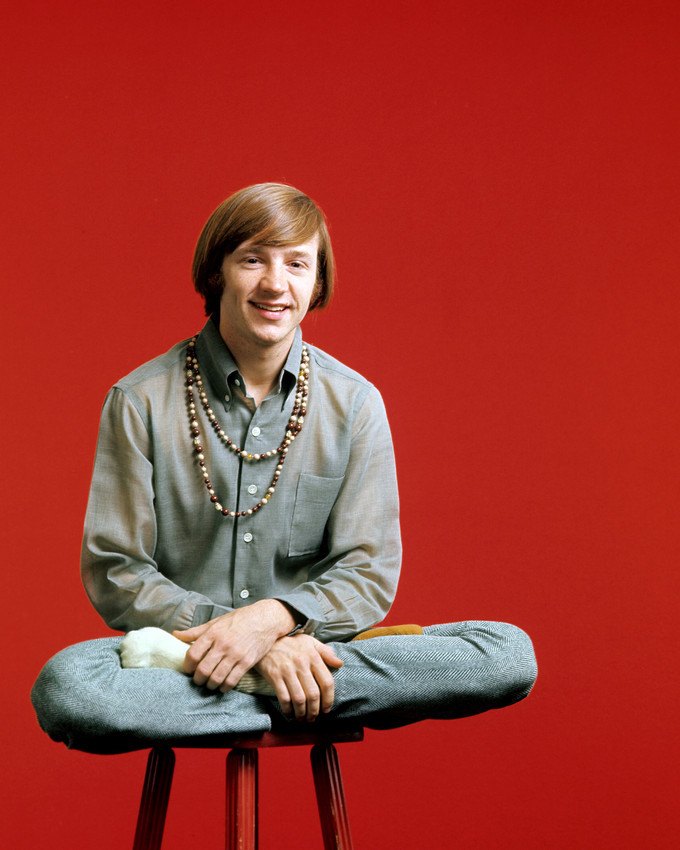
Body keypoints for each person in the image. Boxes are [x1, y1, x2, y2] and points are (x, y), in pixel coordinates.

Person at [31, 183, 537, 754]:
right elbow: (117, 570)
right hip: (187, 650)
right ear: (217, 272)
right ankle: (281, 689)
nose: (276, 284)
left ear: (316, 283)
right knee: (70, 689)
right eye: (253, 260)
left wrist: (272, 622)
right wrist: (241, 642)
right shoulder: (140, 400)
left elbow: (368, 570)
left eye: (297, 264)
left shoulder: (355, 403)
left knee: (505, 653)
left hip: (293, 655)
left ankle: (250, 693)